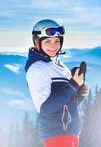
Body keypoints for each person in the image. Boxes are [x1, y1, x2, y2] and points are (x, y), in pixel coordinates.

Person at [25, 19, 89, 147]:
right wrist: (72, 85)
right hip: (58, 136)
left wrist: (78, 94)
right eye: (47, 41)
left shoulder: (57, 64)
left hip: (68, 134)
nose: (53, 46)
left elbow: (64, 102)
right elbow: (45, 108)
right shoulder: (37, 69)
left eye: (57, 41)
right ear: (37, 42)